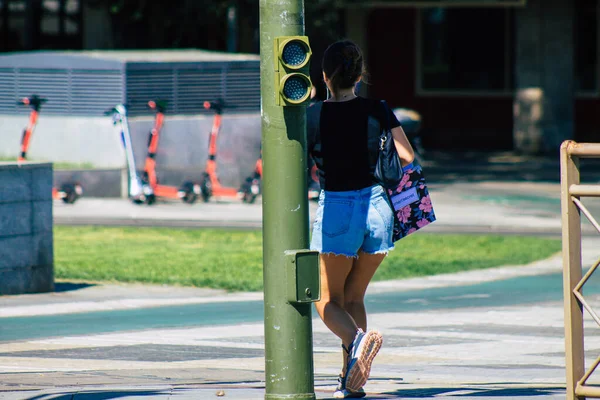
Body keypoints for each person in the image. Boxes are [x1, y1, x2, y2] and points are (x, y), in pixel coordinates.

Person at [307, 40, 415, 399]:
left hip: (339, 208)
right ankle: (350, 381)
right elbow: (406, 155)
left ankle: (358, 341)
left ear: (325, 76)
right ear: (359, 75)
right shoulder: (378, 109)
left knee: (325, 300)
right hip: (379, 209)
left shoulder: (313, 114)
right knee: (354, 298)